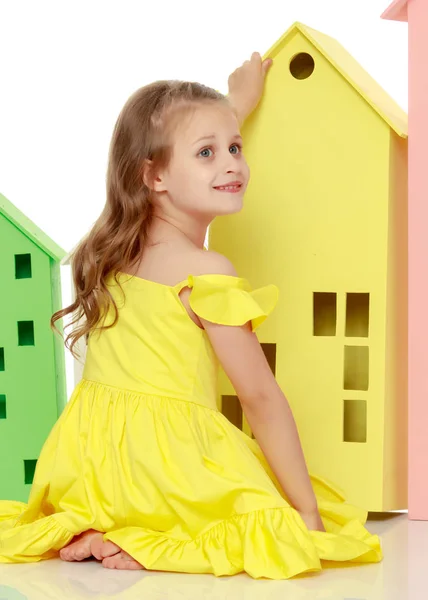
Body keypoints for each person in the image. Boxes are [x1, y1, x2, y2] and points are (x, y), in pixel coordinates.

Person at [0, 53, 382, 579]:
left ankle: (102, 524)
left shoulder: (113, 252)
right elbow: (260, 398)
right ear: (153, 176)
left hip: (88, 465)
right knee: (270, 525)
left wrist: (236, 104)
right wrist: (307, 514)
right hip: (163, 467)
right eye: (208, 153)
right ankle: (155, 540)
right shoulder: (205, 270)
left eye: (235, 148)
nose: (231, 164)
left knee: (152, 490)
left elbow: (186, 144)